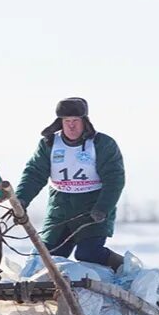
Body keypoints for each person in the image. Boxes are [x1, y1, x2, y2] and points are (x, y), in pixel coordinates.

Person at [15, 97, 126, 270]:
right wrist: (21, 199)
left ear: (85, 122)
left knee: (88, 255)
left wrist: (103, 208)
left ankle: (125, 270)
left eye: (75, 121)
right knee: (45, 256)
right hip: (60, 209)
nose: (71, 126)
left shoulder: (102, 144)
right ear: (60, 122)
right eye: (67, 121)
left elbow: (114, 178)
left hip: (92, 209)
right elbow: (34, 173)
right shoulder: (49, 144)